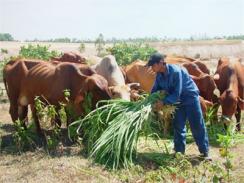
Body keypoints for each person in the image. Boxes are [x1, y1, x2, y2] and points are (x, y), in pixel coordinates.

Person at [146, 52, 210, 159]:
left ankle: (205, 152)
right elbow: (154, 90)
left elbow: (177, 93)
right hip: (177, 102)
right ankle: (179, 151)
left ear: (161, 63)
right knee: (178, 125)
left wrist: (163, 102)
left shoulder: (175, 72)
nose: (151, 68)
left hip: (190, 98)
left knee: (196, 125)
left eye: (153, 65)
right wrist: (148, 101)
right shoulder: (159, 76)